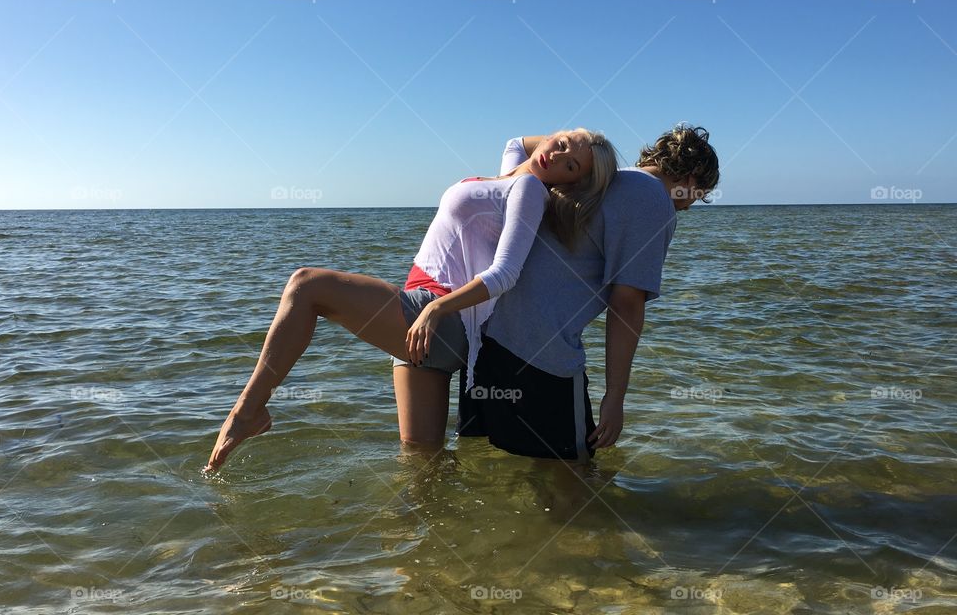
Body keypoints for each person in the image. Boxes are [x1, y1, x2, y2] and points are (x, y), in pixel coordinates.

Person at [205, 128, 619, 471]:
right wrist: (576, 143)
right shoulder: (513, 173)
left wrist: (437, 308)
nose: (558, 155)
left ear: (570, 183)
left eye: (571, 165)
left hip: (436, 313)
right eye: (561, 143)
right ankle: (434, 562)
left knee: (306, 286)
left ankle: (249, 410)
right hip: (427, 329)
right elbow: (516, 141)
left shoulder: (528, 190)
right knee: (421, 464)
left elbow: (505, 275)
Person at [457, 124, 720, 461]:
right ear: (691, 179)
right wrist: (615, 398)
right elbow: (626, 304)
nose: (692, 204)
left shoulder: (597, 174)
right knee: (576, 481)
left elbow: (519, 144)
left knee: (483, 466)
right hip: (542, 354)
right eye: (700, 194)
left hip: (483, 341)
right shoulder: (654, 201)